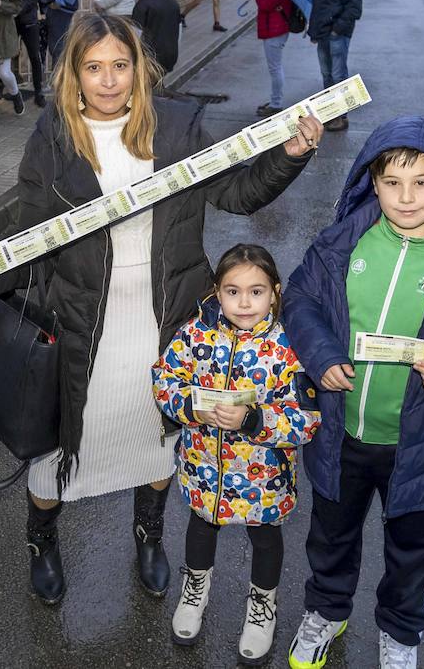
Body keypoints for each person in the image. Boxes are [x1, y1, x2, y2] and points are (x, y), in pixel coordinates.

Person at [0, 12, 322, 606]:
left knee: (156, 437)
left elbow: (237, 192)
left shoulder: (179, 127)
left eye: (121, 65)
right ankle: (41, 537)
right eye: (94, 68)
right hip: (85, 322)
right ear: (74, 75)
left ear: (140, 69)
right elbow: (31, 231)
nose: (109, 81)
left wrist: (289, 155)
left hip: (167, 319)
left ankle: (148, 534)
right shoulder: (53, 138)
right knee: (61, 441)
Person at [281, 116, 424, 669]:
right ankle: (327, 611)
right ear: (372, 182)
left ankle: (400, 633)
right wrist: (321, 358)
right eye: (392, 182)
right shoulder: (343, 243)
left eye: (421, 183)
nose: (406, 197)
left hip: (422, 446)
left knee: (411, 552)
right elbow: (300, 299)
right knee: (330, 537)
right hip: (343, 433)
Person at [154, 243, 320, 665]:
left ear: (275, 292)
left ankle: (262, 605)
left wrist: (253, 420)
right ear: (217, 291)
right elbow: (164, 378)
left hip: (264, 474)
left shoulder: (288, 346)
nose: (244, 303)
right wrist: (190, 406)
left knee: (265, 539)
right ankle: (195, 589)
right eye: (232, 291)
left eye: (256, 291)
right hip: (204, 467)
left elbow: (306, 417)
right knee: (201, 527)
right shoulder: (195, 334)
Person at [307, 0, 363, 132]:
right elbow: (318, 5)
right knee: (326, 75)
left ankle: (341, 117)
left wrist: (336, 30)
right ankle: (331, 113)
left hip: (337, 35)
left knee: (339, 75)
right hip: (322, 34)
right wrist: (313, 31)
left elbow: (354, 9)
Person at [254, 0, 293, 117]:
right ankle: (275, 101)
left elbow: (265, 5)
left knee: (275, 68)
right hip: (276, 28)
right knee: (275, 67)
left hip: (275, 30)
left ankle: (276, 104)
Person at [133, 0, 182, 72]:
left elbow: (135, 34)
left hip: (150, 57)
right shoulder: (173, 2)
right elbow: (179, 29)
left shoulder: (143, 5)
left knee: (150, 85)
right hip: (170, 54)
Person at [16, 0, 46, 107]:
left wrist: (20, 8)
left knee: (34, 56)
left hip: (28, 20)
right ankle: (9, 88)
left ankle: (38, 92)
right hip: (10, 18)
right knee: (9, 54)